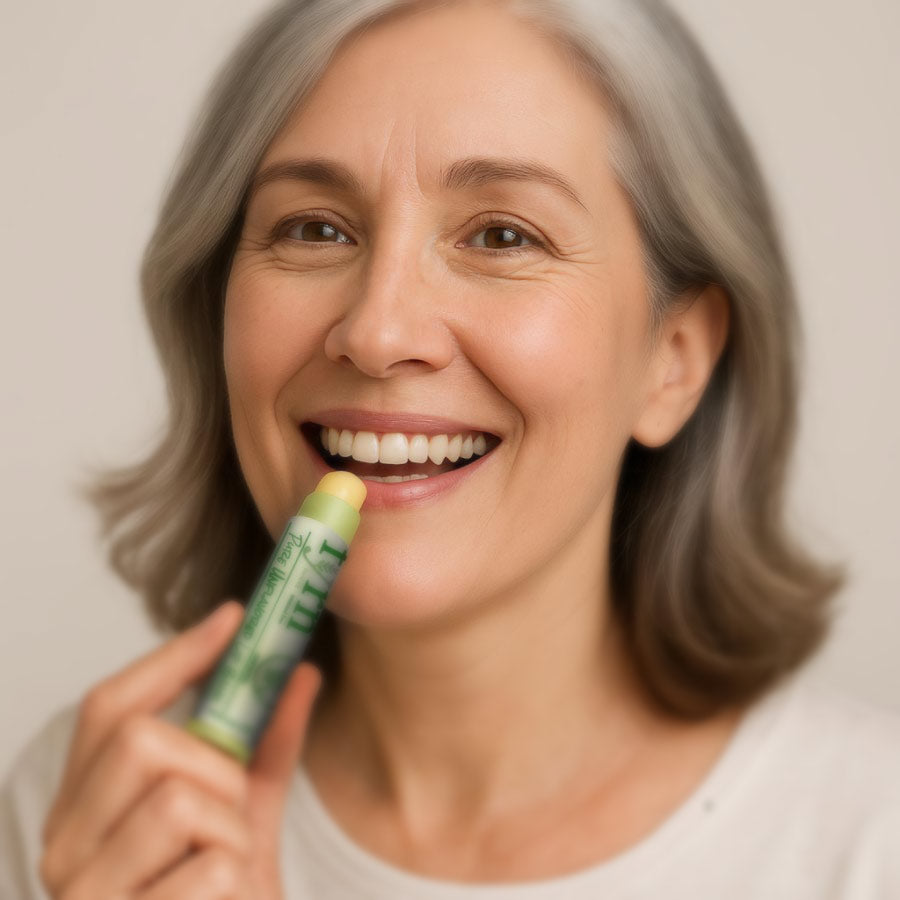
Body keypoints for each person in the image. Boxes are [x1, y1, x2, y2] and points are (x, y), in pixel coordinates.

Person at [2, 0, 899, 897]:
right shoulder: (85, 822)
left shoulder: (867, 843)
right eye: (314, 228)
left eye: (503, 236)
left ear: (674, 360)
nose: (378, 330)